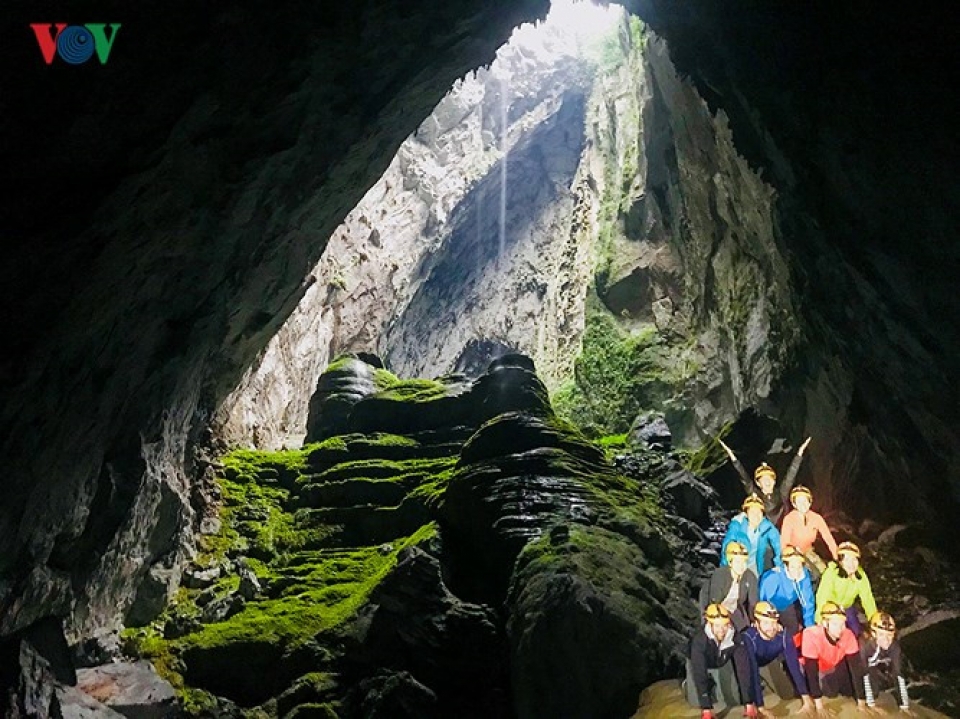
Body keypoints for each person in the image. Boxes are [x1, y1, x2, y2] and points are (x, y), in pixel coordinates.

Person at [685, 603, 758, 719]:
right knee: (695, 702)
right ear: (709, 623)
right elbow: (700, 672)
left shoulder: (735, 637)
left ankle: (715, 684)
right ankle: (689, 685)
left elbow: (743, 669)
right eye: (717, 626)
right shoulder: (699, 640)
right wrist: (706, 708)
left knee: (733, 699)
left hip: (722, 660)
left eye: (725, 625)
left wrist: (748, 703)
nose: (722, 630)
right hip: (699, 662)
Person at [742, 601, 815, 716]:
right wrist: (761, 707)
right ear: (756, 623)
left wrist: (805, 697)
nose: (771, 628)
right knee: (739, 697)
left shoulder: (783, 635)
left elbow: (794, 665)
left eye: (773, 623)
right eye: (766, 623)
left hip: (769, 662)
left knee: (787, 694)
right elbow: (752, 670)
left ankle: (766, 684)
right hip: (748, 666)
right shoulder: (749, 637)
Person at [719, 436, 811, 526]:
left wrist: (799, 453)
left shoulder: (781, 493)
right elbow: (745, 479)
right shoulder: (757, 496)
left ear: (774, 481)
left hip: (783, 533)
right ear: (758, 483)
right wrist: (733, 458)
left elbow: (791, 475)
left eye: (769, 479)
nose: (767, 482)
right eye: (763, 479)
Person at [801, 601, 868, 712]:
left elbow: (856, 669)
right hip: (814, 667)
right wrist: (819, 706)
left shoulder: (848, 634)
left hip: (833, 664)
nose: (840, 628)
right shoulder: (811, 635)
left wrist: (861, 703)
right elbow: (811, 670)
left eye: (842, 624)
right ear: (824, 623)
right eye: (835, 624)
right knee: (830, 693)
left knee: (848, 691)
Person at [816, 542, 877, 636]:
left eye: (854, 559)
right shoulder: (831, 573)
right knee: (830, 632)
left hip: (847, 606)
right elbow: (822, 596)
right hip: (830, 607)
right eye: (847, 559)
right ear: (840, 561)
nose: (851, 563)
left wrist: (874, 622)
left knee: (855, 632)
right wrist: (819, 619)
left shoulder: (860, 576)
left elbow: (868, 599)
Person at [780, 485, 839, 581]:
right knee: (813, 574)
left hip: (808, 550)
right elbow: (784, 542)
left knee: (826, 573)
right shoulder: (789, 519)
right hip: (793, 553)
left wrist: (837, 557)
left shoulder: (816, 518)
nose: (802, 504)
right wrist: (790, 558)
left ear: (810, 502)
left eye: (805, 501)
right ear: (794, 504)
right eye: (799, 501)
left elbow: (828, 538)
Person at [759, 544, 816, 639]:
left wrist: (810, 628)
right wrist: (773, 622)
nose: (797, 571)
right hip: (770, 605)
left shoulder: (804, 575)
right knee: (771, 630)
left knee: (793, 629)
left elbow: (808, 602)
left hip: (786, 605)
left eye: (799, 567)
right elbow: (764, 602)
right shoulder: (773, 577)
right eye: (793, 567)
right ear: (786, 566)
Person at [700, 541, 759, 632]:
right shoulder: (720, 575)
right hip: (716, 607)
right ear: (730, 563)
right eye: (738, 562)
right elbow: (714, 601)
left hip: (735, 608)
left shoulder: (749, 576)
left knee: (745, 632)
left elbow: (753, 602)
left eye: (744, 562)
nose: (741, 566)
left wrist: (754, 620)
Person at [861, 612, 912, 713]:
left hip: (872, 665)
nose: (886, 640)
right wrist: (871, 705)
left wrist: (904, 705)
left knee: (879, 687)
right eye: (881, 635)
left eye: (889, 635)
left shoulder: (894, 647)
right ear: (873, 634)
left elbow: (898, 674)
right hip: (856, 667)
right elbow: (862, 672)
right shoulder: (864, 646)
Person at [722, 494, 782, 578]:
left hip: (754, 566)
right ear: (746, 514)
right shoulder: (737, 525)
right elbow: (726, 546)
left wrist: (779, 564)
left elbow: (778, 542)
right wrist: (725, 570)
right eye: (752, 512)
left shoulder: (766, 526)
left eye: (759, 512)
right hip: (737, 565)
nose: (756, 515)